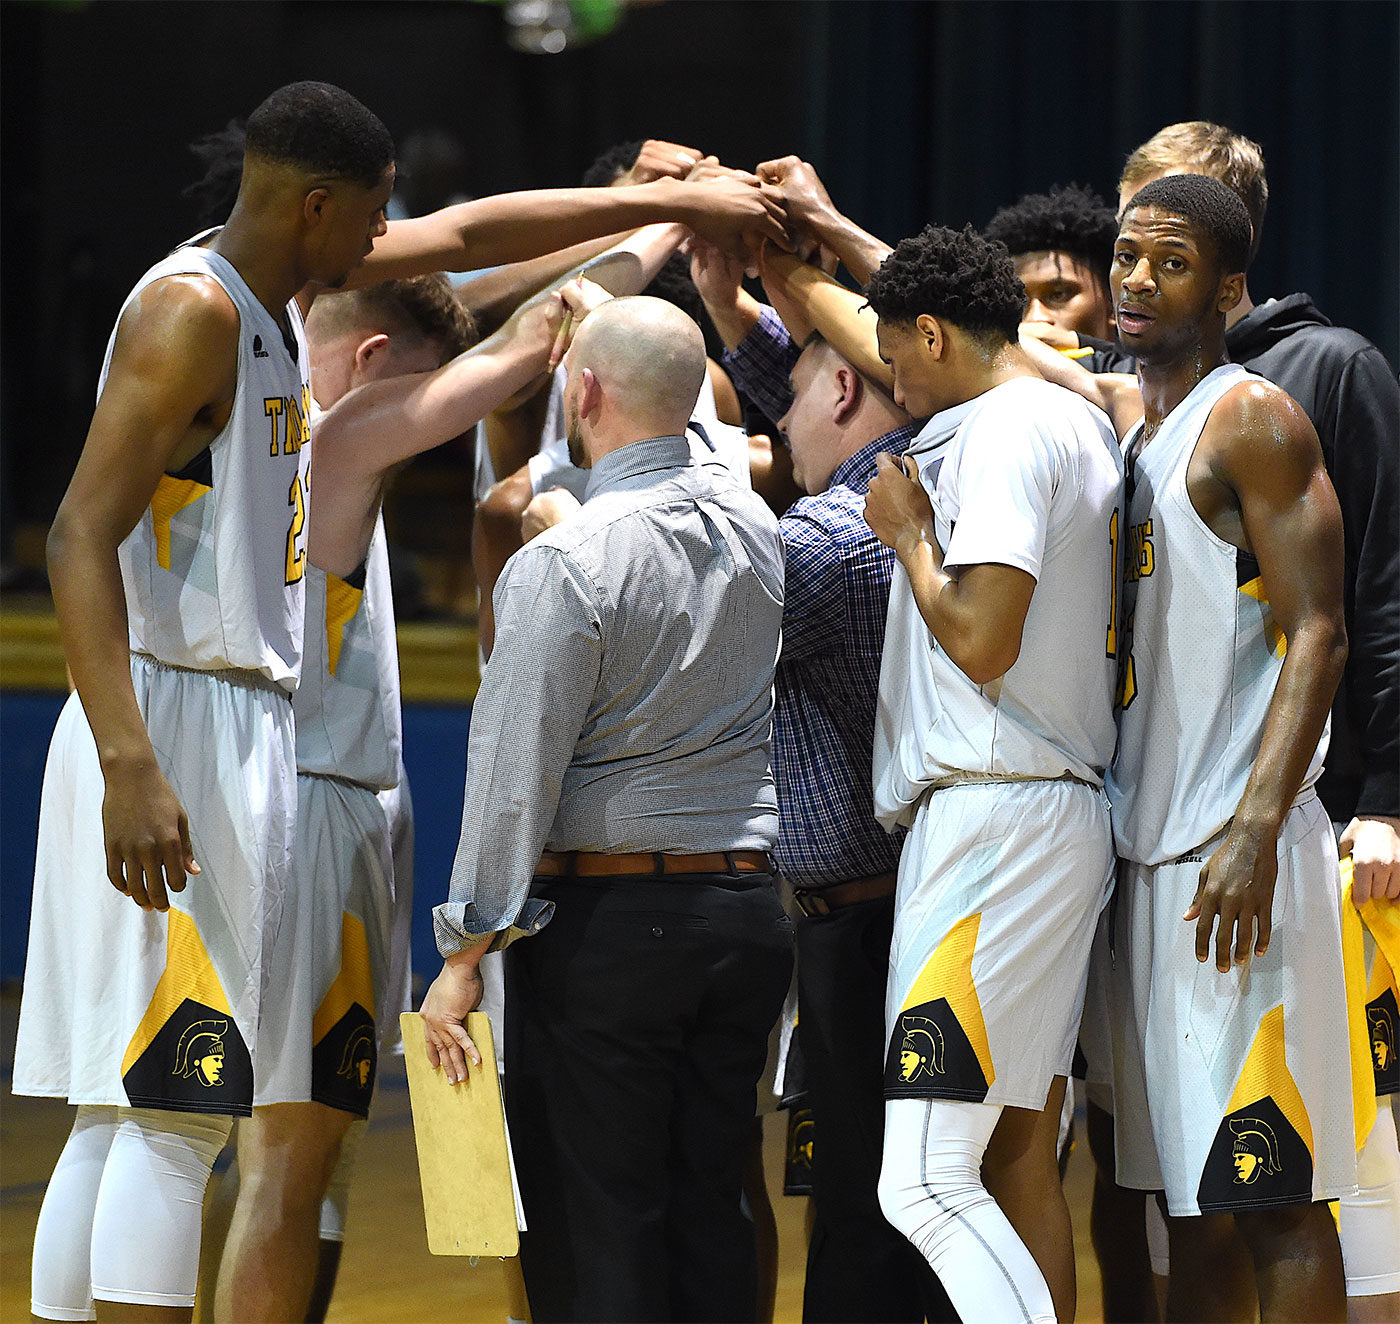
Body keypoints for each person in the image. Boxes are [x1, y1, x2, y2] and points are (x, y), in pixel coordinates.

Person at [13, 80, 395, 1323]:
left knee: (115, 1108)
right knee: (180, 1108)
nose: (378, 246)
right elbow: (76, 531)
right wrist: (131, 758)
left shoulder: (258, 309)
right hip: (173, 719)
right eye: (371, 218)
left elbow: (456, 244)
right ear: (317, 203)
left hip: (191, 715)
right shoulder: (193, 311)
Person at [419, 290, 792, 1323]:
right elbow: (689, 428)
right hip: (749, 913)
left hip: (614, 930)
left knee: (600, 1220)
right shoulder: (760, 529)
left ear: (579, 392)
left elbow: (514, 765)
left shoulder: (568, 558)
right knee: (712, 1200)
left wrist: (464, 952)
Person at [1103, 172, 1355, 1323]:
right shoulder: (1139, 433)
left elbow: (1320, 628)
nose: (1135, 279)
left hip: (1234, 852)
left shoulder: (1250, 416)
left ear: (1228, 288)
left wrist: (1255, 825)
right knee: (1187, 1200)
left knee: (1270, 1187)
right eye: (1126, 255)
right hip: (1153, 857)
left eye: (1170, 261)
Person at [862, 223, 1123, 1324]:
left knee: (918, 1179)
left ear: (929, 334)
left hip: (994, 824)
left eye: (890, 358)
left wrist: (909, 536)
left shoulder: (1010, 430)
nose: (889, 382)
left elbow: (980, 637)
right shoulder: (1065, 418)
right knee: (1016, 1157)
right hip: (1040, 815)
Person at [984, 183, 1119, 341]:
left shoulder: (1146, 364)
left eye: (1058, 295)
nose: (1035, 318)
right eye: (1017, 302)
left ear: (1114, 304)